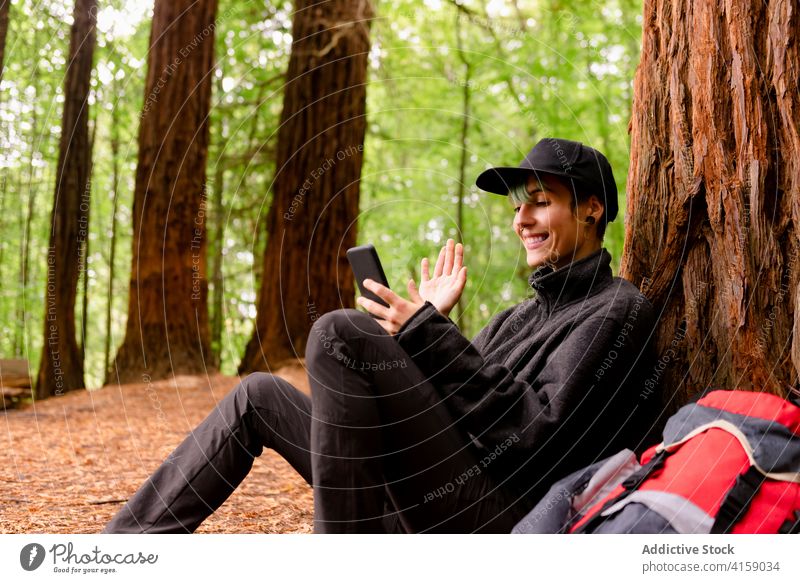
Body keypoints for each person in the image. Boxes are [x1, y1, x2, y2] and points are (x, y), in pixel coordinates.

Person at [103, 137, 660, 534]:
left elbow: (534, 439)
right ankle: (123, 549)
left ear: (591, 207)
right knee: (259, 394)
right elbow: (447, 403)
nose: (521, 219)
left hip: (502, 518)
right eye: (518, 206)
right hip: (427, 495)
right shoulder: (517, 318)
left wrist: (428, 334)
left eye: (540, 201)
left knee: (340, 331)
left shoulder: (616, 312)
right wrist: (426, 324)